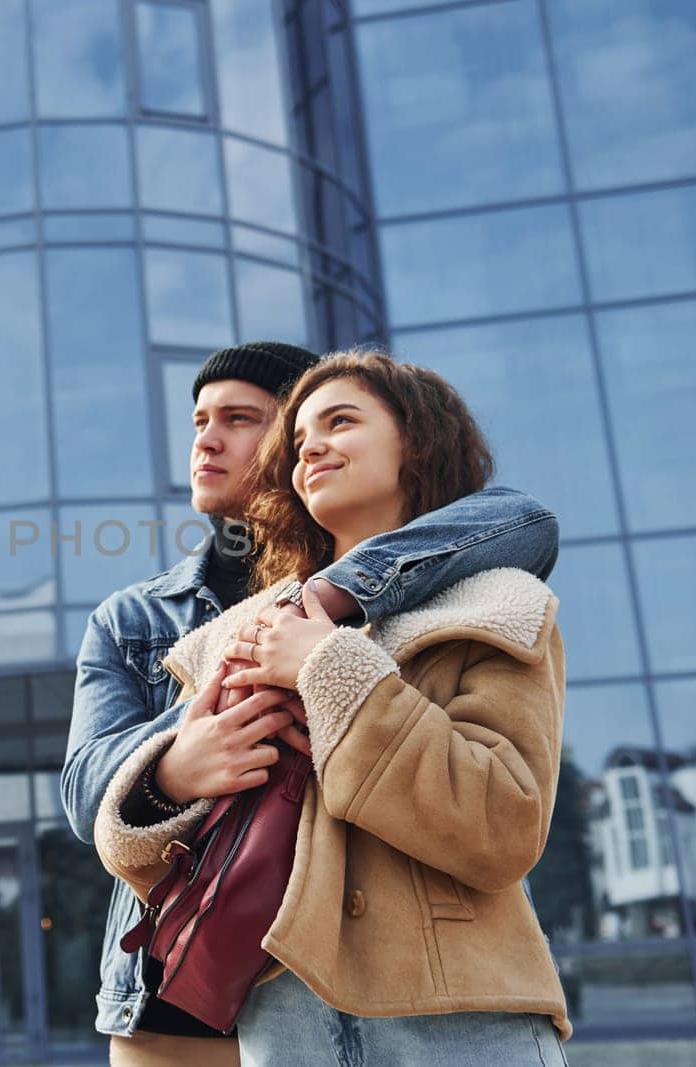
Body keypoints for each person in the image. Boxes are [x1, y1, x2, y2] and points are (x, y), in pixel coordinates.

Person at [62, 341, 560, 1064]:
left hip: (445, 1004)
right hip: (227, 987)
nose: (207, 438)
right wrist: (181, 757)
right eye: (303, 437)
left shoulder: (488, 594)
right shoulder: (162, 622)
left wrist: (323, 634)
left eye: (242, 419)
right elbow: (100, 810)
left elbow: (499, 821)